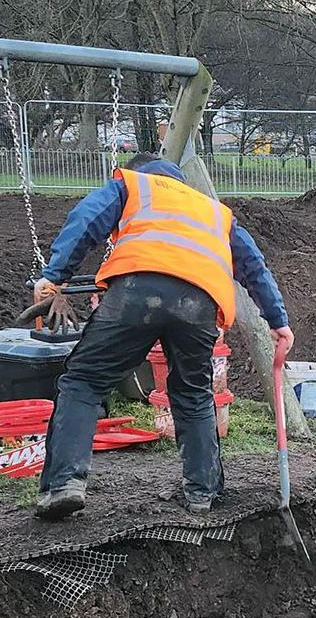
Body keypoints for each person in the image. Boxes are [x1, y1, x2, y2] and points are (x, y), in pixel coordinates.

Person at [30, 153, 295, 521]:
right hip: (200, 303)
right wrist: (278, 319)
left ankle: (64, 485)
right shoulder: (215, 212)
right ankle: (202, 492)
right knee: (193, 392)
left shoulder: (133, 183)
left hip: (138, 288)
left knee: (84, 381)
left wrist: (54, 274)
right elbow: (254, 267)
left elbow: (87, 220)